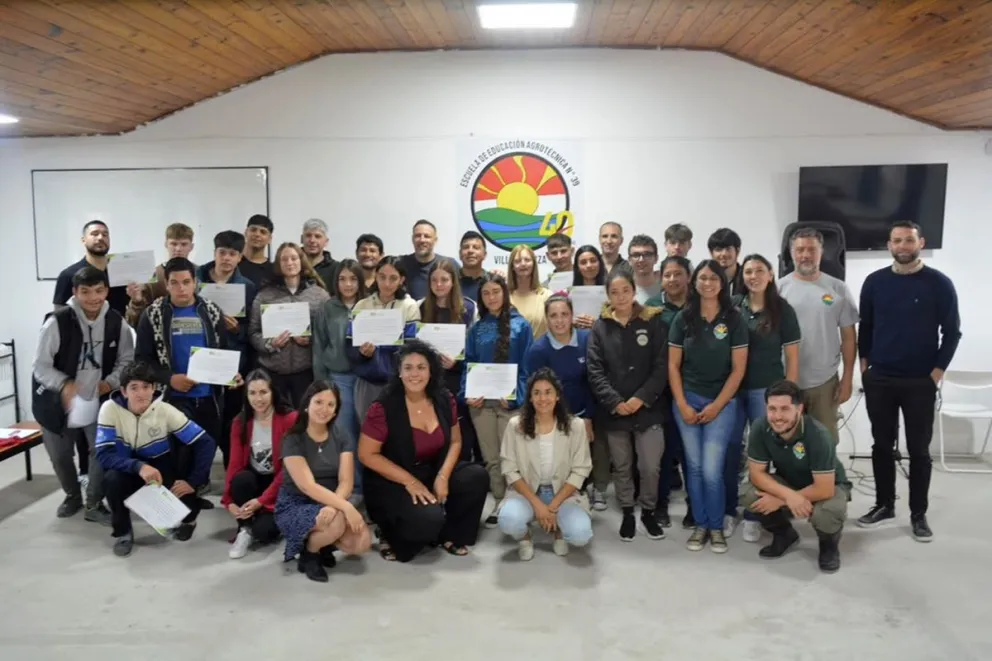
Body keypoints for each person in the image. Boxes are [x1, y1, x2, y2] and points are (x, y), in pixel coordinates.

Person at [856, 222, 961, 541]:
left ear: (921, 243)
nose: (903, 246)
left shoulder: (939, 283)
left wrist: (936, 373)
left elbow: (952, 332)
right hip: (881, 378)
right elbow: (866, 328)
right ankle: (884, 505)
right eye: (897, 240)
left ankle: (918, 514)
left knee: (919, 450)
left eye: (909, 240)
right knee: (881, 446)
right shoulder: (874, 282)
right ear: (889, 244)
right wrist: (865, 368)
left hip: (920, 381)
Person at [359, 341, 489, 561]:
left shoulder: (444, 398)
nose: (414, 374)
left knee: (476, 476)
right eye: (408, 367)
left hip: (432, 469)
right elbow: (366, 454)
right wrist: (410, 481)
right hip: (394, 479)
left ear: (431, 371)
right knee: (428, 519)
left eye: (421, 367)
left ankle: (449, 534)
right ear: (399, 372)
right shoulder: (383, 407)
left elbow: (456, 441)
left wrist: (443, 476)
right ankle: (388, 532)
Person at [32, 266, 134, 524]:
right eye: (85, 292)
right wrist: (64, 384)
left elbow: (126, 360)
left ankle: (94, 502)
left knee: (101, 451)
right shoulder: (57, 322)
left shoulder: (116, 322)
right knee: (60, 455)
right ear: (75, 292)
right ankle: (72, 495)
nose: (93, 298)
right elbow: (40, 367)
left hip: (98, 399)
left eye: (99, 291)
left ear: (106, 291)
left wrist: (110, 383)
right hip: (57, 401)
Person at [134, 257, 235, 493]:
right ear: (166, 284)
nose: (181, 288)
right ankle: (178, 497)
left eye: (186, 282)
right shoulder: (153, 315)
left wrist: (231, 375)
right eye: (175, 283)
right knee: (179, 454)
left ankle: (197, 488)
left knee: (206, 448)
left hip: (209, 397)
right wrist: (170, 378)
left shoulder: (211, 311)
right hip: (173, 397)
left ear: (195, 282)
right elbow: (142, 361)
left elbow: (223, 351)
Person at [95, 361, 217, 557]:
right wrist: (139, 467)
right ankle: (123, 532)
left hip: (160, 467)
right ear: (124, 391)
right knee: (112, 480)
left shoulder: (165, 410)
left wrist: (194, 481)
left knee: (186, 499)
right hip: (128, 468)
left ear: (154, 389)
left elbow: (205, 442)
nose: (141, 393)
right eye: (134, 388)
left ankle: (189, 521)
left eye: (146, 387)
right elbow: (103, 455)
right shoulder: (109, 409)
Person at [668, 260, 748, 553]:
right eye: (702, 278)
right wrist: (682, 404)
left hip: (722, 403)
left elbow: (738, 370)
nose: (708, 283)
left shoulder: (734, 319)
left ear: (722, 283)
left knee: (713, 469)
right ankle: (700, 524)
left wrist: (717, 406)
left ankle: (716, 526)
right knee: (695, 467)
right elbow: (673, 366)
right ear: (695, 282)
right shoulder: (683, 318)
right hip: (687, 400)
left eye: (714, 278)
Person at [587, 266, 668, 541]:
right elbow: (594, 370)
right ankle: (628, 511)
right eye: (614, 292)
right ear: (607, 295)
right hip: (615, 411)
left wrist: (640, 398)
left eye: (625, 290)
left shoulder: (653, 321)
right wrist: (615, 402)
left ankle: (648, 510)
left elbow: (662, 366)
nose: (620, 296)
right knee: (621, 466)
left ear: (634, 291)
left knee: (649, 466)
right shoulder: (600, 326)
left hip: (648, 408)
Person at [741, 380, 851, 573]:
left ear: (799, 409)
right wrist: (788, 496)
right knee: (749, 494)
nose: (777, 416)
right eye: (772, 409)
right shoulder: (760, 427)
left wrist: (780, 500)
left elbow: (824, 488)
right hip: (790, 482)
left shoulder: (819, 434)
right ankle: (784, 535)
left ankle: (828, 546)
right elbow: (756, 474)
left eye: (785, 409)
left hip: (828, 486)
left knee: (827, 512)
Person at [729, 254, 801, 543]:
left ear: (770, 275)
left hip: (766, 391)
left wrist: (789, 399)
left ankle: (754, 514)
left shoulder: (783, 310)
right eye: (748, 271)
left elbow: (792, 358)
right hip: (732, 390)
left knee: (760, 454)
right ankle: (729, 509)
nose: (753, 276)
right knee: (731, 449)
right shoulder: (733, 305)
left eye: (760, 270)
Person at [275, 381, 371, 582]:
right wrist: (346, 507)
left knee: (361, 542)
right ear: (307, 405)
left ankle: (323, 544)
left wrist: (334, 506)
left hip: (332, 498)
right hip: (297, 502)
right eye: (318, 402)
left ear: (336, 410)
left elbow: (346, 481)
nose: (324, 409)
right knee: (336, 523)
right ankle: (310, 553)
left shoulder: (342, 435)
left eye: (330, 404)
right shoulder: (293, 438)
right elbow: (307, 486)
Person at [498, 368, 594, 560]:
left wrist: (552, 506)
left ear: (557, 396)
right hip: (527, 491)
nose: (543, 398)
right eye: (537, 393)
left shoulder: (576, 426)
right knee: (508, 521)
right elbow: (510, 469)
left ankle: (559, 531)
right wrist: (538, 505)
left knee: (580, 535)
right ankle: (525, 537)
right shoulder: (515, 425)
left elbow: (580, 470)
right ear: (530, 398)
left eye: (548, 392)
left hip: (563, 493)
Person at [464, 273, 533, 526]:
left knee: (511, 457)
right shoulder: (476, 328)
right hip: (482, 404)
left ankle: (517, 500)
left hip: (510, 403)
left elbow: (527, 366)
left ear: (504, 293)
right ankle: (499, 499)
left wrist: (517, 397)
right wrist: (468, 394)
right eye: (486, 293)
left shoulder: (521, 326)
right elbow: (469, 364)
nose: (491, 297)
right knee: (491, 457)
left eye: (496, 292)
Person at [526, 295, 606, 511]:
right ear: (547, 319)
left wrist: (587, 417)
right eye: (553, 316)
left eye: (564, 314)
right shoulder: (538, 350)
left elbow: (592, 381)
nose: (559, 320)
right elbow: (537, 392)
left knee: (589, 451)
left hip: (586, 409)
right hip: (553, 416)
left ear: (572, 316)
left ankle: (591, 488)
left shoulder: (587, 339)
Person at [778, 228, 858, 444]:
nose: (805, 255)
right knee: (788, 443)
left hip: (824, 382)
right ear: (792, 253)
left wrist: (847, 378)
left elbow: (849, 338)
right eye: (800, 250)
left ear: (821, 252)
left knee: (825, 443)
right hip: (786, 381)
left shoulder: (838, 288)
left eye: (811, 249)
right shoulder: (778, 289)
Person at [196, 230, 258, 468]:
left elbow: (252, 330)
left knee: (231, 423)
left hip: (232, 365)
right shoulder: (196, 279)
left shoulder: (247, 287)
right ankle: (198, 477)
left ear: (240, 257)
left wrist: (235, 329)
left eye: (233, 254)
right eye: (222, 252)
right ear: (214, 253)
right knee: (202, 423)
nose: (226, 258)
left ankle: (231, 474)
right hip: (201, 361)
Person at [222, 369, 296, 559]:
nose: (258, 399)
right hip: (255, 480)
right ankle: (244, 529)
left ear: (273, 392)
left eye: (263, 392)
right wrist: (228, 500)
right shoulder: (240, 422)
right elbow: (234, 464)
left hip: (280, 484)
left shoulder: (290, 419)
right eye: (252, 393)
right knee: (241, 479)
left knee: (264, 533)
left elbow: (289, 469)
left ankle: (273, 518)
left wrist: (262, 501)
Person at [249, 242, 330, 407]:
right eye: (284, 259)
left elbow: (328, 332)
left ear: (301, 261)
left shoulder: (319, 295)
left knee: (304, 415)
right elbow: (253, 332)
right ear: (278, 264)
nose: (289, 263)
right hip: (272, 370)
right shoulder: (265, 295)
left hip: (306, 371)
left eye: (294, 258)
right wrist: (270, 344)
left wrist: (311, 340)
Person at [647, 255, 691, 528]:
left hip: (693, 388)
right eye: (667, 275)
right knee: (664, 453)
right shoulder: (652, 308)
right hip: (662, 391)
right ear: (660, 278)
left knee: (690, 454)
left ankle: (694, 506)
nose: (673, 279)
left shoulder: (700, 304)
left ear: (688, 277)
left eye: (678, 274)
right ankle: (660, 505)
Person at [349, 256, 421, 420]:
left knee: (397, 429)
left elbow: (411, 347)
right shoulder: (362, 305)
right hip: (367, 381)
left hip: (399, 382)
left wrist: (382, 349)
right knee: (367, 427)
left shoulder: (409, 306)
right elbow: (350, 346)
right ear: (376, 276)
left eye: (393, 278)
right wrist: (362, 353)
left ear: (402, 280)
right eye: (382, 277)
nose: (387, 283)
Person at [419, 260, 478, 461]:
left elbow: (475, 349)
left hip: (457, 381)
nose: (439, 284)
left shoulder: (469, 308)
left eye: (444, 279)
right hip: (429, 382)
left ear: (453, 282)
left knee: (460, 433)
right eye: (434, 280)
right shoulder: (420, 307)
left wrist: (457, 363)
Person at [313, 259, 368, 465]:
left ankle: (371, 480)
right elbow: (318, 346)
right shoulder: (327, 307)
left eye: (353, 279)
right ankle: (352, 481)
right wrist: (321, 384)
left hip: (367, 379)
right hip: (339, 378)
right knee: (345, 433)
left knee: (368, 433)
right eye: (342, 279)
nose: (348, 284)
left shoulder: (369, 306)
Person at [54, 220, 129, 316]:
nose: (101, 238)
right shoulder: (68, 275)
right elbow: (60, 315)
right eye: (95, 234)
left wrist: (136, 299)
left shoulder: (120, 273)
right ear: (83, 240)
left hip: (117, 325)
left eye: (105, 235)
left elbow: (131, 311)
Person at [125, 223, 195, 327]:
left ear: (191, 247)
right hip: (161, 331)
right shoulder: (152, 276)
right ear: (166, 244)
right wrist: (137, 302)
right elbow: (134, 321)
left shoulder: (199, 272)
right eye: (174, 244)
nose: (178, 249)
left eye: (184, 244)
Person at [399, 219, 460, 301]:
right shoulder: (400, 264)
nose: (422, 240)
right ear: (412, 239)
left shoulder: (450, 264)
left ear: (435, 240)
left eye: (427, 236)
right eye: (418, 236)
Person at [508, 244, 550, 338]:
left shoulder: (547, 296)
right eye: (517, 261)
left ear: (534, 264)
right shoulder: (504, 298)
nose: (523, 264)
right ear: (512, 267)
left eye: (527, 260)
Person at [571, 244, 606, 329]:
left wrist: (598, 325)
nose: (589, 265)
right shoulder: (568, 293)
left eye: (593, 261)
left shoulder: (612, 291)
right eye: (583, 262)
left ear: (600, 263)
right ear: (577, 267)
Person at [301, 218, 339, 297]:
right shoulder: (291, 266)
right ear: (301, 239)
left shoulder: (337, 269)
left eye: (317, 236)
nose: (312, 240)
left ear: (326, 242)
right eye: (308, 235)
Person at [239, 214, 275, 288]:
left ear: (270, 239)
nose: (257, 234)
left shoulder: (274, 271)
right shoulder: (232, 263)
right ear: (246, 232)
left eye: (263, 232)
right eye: (253, 230)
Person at [707, 228, 745, 297]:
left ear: (737, 251)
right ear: (711, 253)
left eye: (728, 249)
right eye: (718, 249)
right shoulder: (705, 280)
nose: (724, 254)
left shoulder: (747, 278)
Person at [629, 234, 662, 304]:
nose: (641, 260)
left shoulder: (666, 289)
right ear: (629, 260)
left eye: (647, 254)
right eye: (636, 255)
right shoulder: (621, 290)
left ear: (656, 258)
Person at [458, 230, 488, 304]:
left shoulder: (492, 281)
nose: (470, 251)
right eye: (466, 247)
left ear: (484, 255)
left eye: (476, 247)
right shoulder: (450, 282)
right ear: (460, 254)